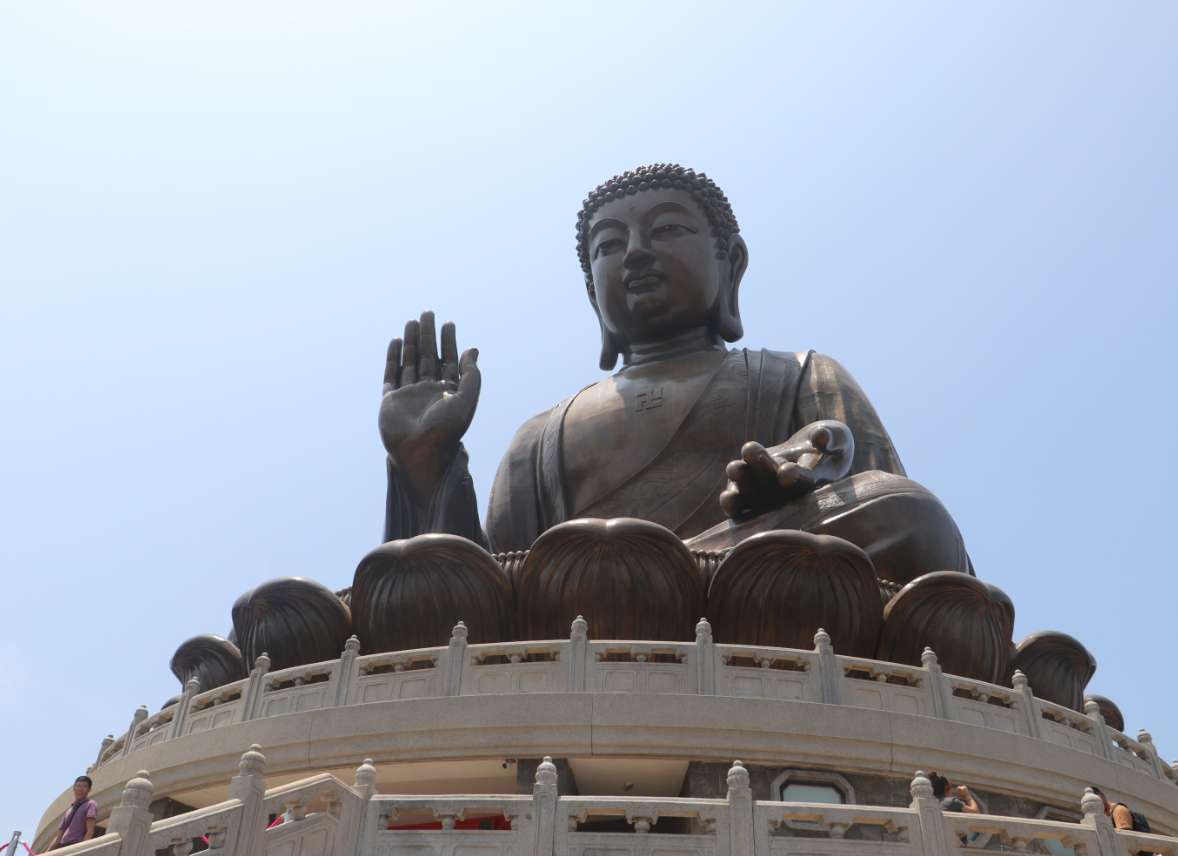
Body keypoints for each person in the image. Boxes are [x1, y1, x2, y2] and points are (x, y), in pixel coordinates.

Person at [377, 165, 970, 587]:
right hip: (576, 610)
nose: (635, 252)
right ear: (592, 292)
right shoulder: (539, 437)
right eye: (609, 245)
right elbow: (489, 586)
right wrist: (424, 464)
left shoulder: (798, 375)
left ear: (729, 264)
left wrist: (794, 491)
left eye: (666, 230)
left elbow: (891, 522)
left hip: (760, 575)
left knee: (907, 513)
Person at [1092, 787, 1152, 856]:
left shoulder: (1118, 810)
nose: (1095, 804)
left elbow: (1124, 839)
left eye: (1095, 800)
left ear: (1102, 796)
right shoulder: (1106, 815)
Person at [48, 776, 97, 850]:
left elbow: (89, 831)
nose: (81, 789)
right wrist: (47, 852)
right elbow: (59, 836)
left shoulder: (90, 804)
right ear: (74, 788)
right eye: (78, 786)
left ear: (89, 790)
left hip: (75, 845)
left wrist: (81, 849)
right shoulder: (69, 810)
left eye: (84, 786)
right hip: (62, 847)